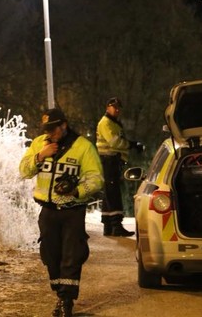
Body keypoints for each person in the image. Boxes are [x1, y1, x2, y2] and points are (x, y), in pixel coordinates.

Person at [19, 108, 103, 317]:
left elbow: (96, 178)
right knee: (50, 255)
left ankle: (67, 301)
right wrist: (40, 156)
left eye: (53, 129)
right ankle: (59, 293)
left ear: (64, 125)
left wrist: (76, 190)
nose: (50, 133)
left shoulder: (83, 147)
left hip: (72, 211)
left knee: (71, 257)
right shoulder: (40, 143)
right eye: (47, 129)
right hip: (48, 212)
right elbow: (24, 171)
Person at [96, 97, 144, 237]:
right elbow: (115, 143)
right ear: (107, 107)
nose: (117, 109)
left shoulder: (113, 123)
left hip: (112, 161)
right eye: (114, 107)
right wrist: (132, 144)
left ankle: (108, 225)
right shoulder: (106, 123)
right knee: (113, 193)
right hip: (108, 160)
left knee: (109, 193)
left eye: (118, 107)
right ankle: (116, 226)